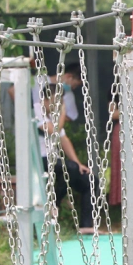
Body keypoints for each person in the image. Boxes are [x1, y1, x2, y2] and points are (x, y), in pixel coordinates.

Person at [33, 62, 98, 234]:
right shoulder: (36, 111)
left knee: (90, 180)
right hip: (40, 159)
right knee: (68, 168)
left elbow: (64, 139)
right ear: (45, 100)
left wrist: (79, 163)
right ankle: (52, 203)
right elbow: (54, 131)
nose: (57, 106)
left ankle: (86, 225)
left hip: (55, 160)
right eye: (55, 102)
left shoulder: (51, 113)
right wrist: (62, 113)